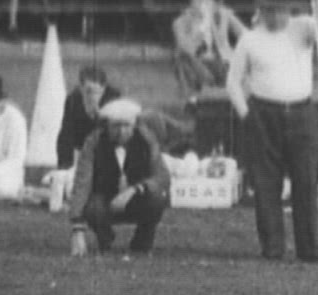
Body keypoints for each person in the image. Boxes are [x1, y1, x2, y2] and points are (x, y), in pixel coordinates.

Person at [227, 0, 318, 263]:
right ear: (262, 12)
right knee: (266, 181)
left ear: (289, 9)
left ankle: (309, 248)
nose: (276, 16)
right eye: (270, 10)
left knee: (305, 179)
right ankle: (273, 247)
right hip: (263, 113)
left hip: (302, 111)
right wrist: (246, 115)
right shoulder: (250, 39)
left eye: (281, 10)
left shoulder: (304, 27)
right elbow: (232, 82)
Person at [67, 99, 171, 258]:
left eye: (126, 126)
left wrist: (135, 189)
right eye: (116, 126)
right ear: (107, 125)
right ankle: (105, 237)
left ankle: (142, 241)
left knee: (157, 197)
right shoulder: (93, 143)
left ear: (134, 125)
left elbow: (162, 177)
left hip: (137, 200)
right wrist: (77, 228)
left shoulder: (147, 140)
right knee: (93, 207)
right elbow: (82, 183)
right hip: (104, 200)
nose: (122, 131)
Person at [173, 0, 250, 100]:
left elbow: (247, 36)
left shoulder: (223, 16)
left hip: (224, 65)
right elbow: (186, 48)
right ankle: (191, 98)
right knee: (181, 56)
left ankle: (242, 92)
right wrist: (201, 27)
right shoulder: (181, 22)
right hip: (199, 67)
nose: (205, 4)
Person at [56, 66, 121, 173]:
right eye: (88, 91)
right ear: (81, 88)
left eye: (96, 92)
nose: (92, 97)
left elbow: (116, 134)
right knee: (65, 137)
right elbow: (65, 135)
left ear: (103, 89)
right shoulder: (73, 100)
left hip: (108, 141)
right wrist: (65, 167)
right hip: (81, 138)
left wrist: (100, 114)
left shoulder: (114, 99)